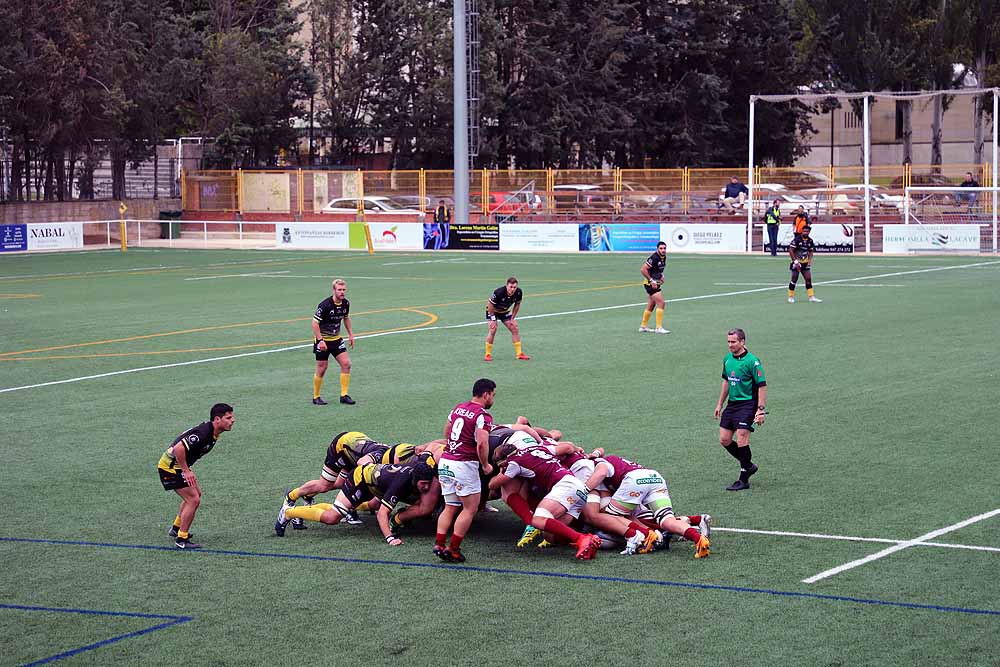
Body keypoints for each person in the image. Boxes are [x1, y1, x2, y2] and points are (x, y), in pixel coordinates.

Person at [278, 461, 438, 546]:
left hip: (375, 483)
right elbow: (383, 513)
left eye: (428, 484)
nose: (426, 487)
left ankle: (336, 506)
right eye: (423, 483)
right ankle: (288, 512)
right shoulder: (402, 482)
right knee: (332, 518)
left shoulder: (415, 475)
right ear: (415, 479)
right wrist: (390, 537)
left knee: (365, 506)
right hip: (360, 479)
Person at [488, 441, 602, 560]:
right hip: (579, 488)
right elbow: (567, 447)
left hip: (565, 485)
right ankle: (589, 542)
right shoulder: (536, 448)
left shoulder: (513, 463)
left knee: (538, 520)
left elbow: (493, 485)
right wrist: (577, 448)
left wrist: (499, 472)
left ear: (504, 460)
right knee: (550, 536)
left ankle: (582, 539)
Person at [583, 454, 711, 558]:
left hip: (635, 481)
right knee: (667, 520)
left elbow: (601, 473)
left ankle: (649, 535)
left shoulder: (599, 463)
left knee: (612, 516)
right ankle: (699, 539)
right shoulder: (614, 463)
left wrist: (583, 490)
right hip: (654, 478)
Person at [157, 403, 235, 549]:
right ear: (217, 419)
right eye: (228, 417)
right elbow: (179, 448)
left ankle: (176, 528)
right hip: (170, 468)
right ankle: (182, 539)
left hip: (176, 466)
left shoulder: (213, 432)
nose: (233, 420)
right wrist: (186, 471)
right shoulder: (204, 433)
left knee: (195, 494)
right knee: (193, 499)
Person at [435, 378, 496, 563]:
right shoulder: (483, 415)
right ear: (485, 394)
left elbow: (447, 431)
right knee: (470, 508)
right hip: (464, 464)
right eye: (493, 395)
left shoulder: (457, 408)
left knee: (450, 506)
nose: (493, 399)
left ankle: (439, 544)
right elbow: (482, 443)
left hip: (446, 462)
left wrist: (454, 445)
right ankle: (453, 549)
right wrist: (485, 465)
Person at [275, 431, 377, 535]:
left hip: (354, 452)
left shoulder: (389, 460)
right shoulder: (385, 465)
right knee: (324, 485)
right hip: (342, 446)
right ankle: (291, 495)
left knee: (340, 484)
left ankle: (308, 496)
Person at [714, 328, 767, 491]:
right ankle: (748, 465)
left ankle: (744, 478)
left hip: (748, 404)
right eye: (728, 342)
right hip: (732, 404)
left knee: (742, 437)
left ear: (742, 342)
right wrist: (719, 404)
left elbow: (762, 385)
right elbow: (726, 382)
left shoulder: (753, 361)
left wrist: (760, 410)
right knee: (724, 439)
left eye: (733, 342)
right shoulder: (727, 359)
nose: (730, 345)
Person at [312, 278, 356, 405]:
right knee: (322, 367)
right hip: (323, 341)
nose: (342, 292)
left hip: (336, 340)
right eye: (339, 290)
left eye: (344, 290)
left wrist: (351, 334)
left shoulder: (345, 304)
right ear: (334, 290)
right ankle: (316, 397)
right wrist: (320, 341)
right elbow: (314, 323)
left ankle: (344, 395)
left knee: (346, 364)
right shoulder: (325, 305)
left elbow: (346, 318)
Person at [485, 277, 529, 361]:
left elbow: (517, 305)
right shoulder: (499, 292)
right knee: (493, 329)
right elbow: (490, 304)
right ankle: (487, 354)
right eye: (511, 287)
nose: (512, 289)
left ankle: (519, 354)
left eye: (514, 287)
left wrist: (512, 318)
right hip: (492, 311)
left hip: (504, 311)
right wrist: (493, 319)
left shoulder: (519, 292)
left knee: (514, 328)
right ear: (507, 286)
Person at [638, 241, 669, 334]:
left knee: (651, 305)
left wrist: (661, 276)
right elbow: (643, 269)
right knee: (661, 303)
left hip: (656, 283)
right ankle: (658, 328)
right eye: (661, 248)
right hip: (650, 284)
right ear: (657, 249)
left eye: (664, 248)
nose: (663, 250)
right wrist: (651, 280)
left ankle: (643, 326)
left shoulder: (663, 257)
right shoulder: (654, 257)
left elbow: (658, 269)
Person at [787, 225, 822, 303]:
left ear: (809, 232)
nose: (805, 232)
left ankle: (811, 297)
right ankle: (790, 297)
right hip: (797, 263)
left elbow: (811, 251)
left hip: (805, 263)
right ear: (802, 231)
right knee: (794, 279)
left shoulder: (810, 241)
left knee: (808, 279)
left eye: (807, 231)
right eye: (804, 231)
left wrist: (809, 261)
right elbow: (791, 250)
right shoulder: (797, 239)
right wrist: (795, 261)